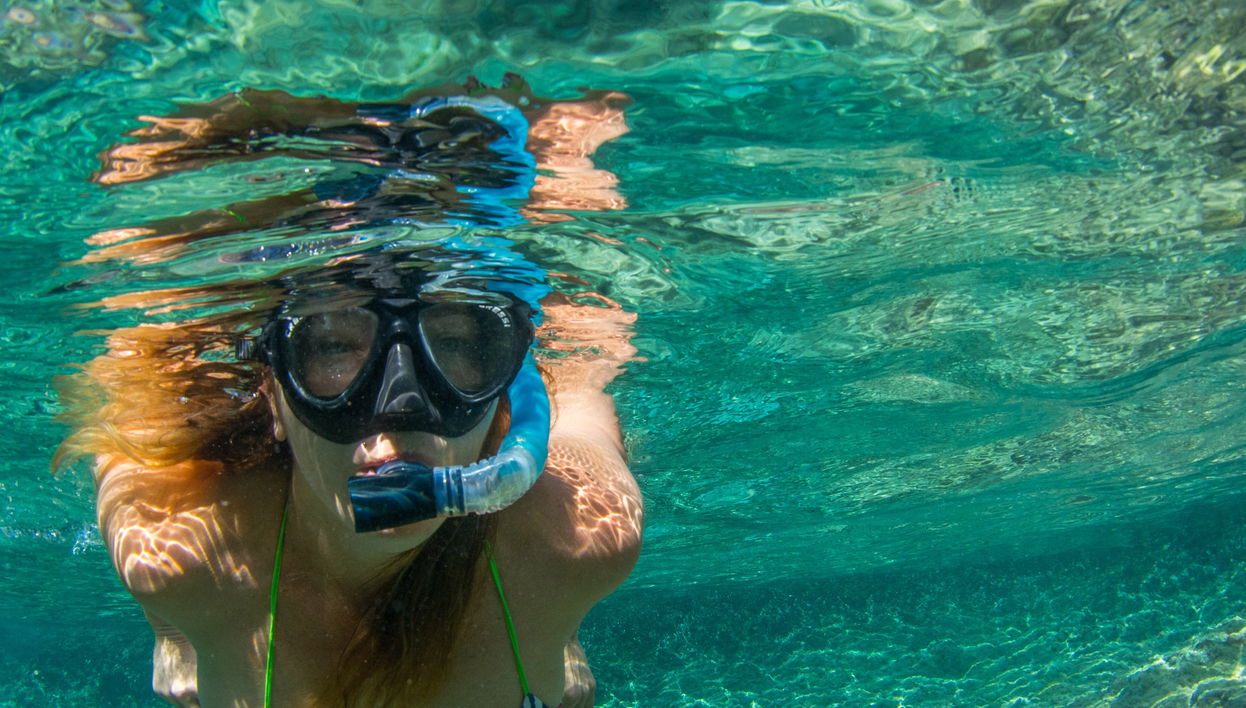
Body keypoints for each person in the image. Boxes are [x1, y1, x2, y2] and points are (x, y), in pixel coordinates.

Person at [56, 76, 644, 707]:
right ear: (274, 399)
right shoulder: (185, 552)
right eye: (334, 348)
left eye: (456, 347)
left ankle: (551, 648)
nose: (400, 411)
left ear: (503, 393)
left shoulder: (569, 543)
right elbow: (135, 407)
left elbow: (580, 407)